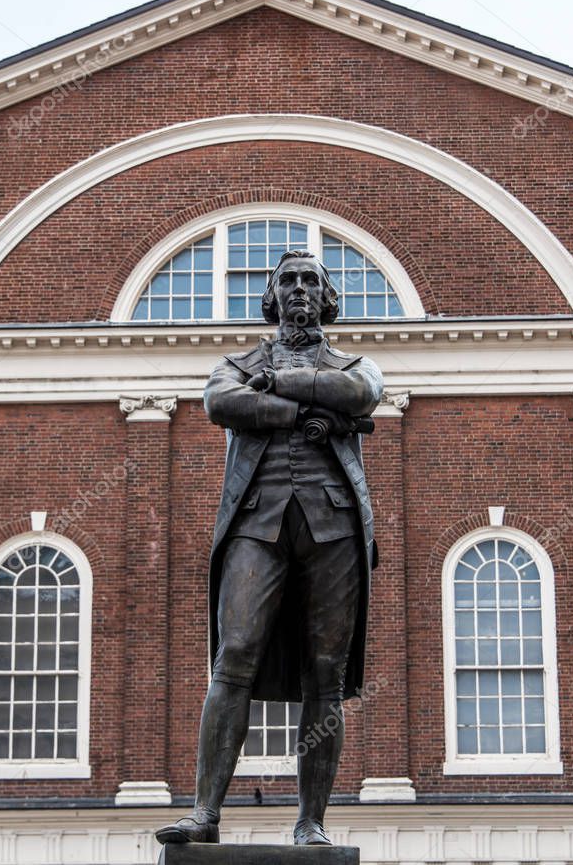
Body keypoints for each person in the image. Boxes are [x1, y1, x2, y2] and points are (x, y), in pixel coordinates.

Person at [156, 250, 383, 846]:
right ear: (272, 296)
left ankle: (311, 822)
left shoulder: (353, 363)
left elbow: (361, 393)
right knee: (233, 658)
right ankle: (205, 815)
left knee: (325, 675)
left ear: (328, 298)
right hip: (257, 524)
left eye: (313, 280)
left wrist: (282, 386)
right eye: (289, 280)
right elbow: (220, 403)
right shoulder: (237, 362)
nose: (301, 289)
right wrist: (304, 410)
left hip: (332, 528)